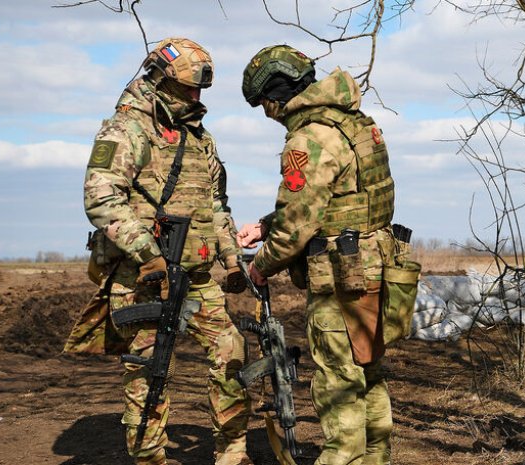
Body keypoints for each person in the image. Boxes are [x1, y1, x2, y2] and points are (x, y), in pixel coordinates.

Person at [69, 37, 251, 465]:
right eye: (190, 86)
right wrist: (148, 255)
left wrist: (231, 261)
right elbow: (101, 195)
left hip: (199, 274)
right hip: (146, 276)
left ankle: (233, 452)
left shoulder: (199, 137)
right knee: (150, 371)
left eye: (201, 87)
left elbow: (215, 206)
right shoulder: (127, 127)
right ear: (162, 78)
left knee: (232, 351)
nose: (197, 95)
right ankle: (150, 458)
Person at [237, 44, 406, 465]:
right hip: (375, 267)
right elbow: (341, 201)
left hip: (340, 276)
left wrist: (262, 266)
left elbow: (299, 220)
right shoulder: (354, 123)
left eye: (264, 104)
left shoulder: (309, 137)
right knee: (368, 373)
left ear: (276, 96)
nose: (267, 114)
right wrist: (264, 225)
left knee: (339, 383)